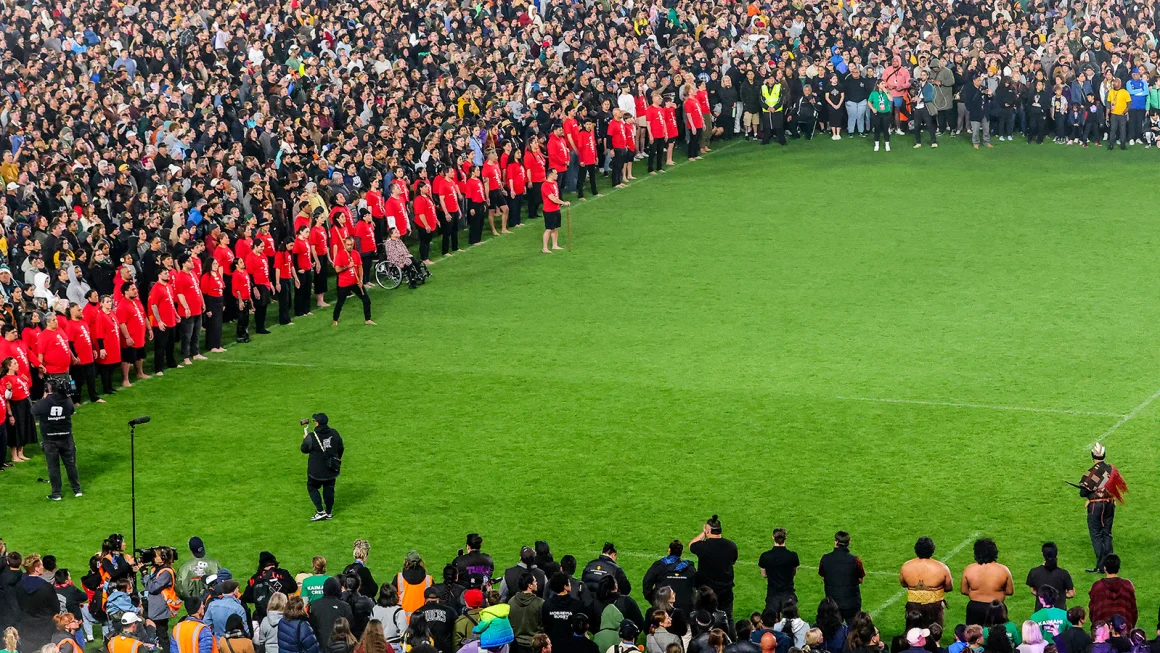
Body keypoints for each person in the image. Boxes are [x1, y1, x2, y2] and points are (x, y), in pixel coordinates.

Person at [1078, 444, 1126, 573]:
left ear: (1092, 456)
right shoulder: (1111, 469)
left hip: (1096, 506)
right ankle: (1109, 566)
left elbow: (1083, 492)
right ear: (1104, 455)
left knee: (1096, 535)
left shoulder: (1092, 472)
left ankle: (1101, 566)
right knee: (1107, 534)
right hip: (1110, 504)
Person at [32, 375, 80, 501]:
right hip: (66, 438)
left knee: (53, 466)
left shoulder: (43, 403)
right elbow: (71, 411)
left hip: (50, 440)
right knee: (71, 464)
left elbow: (33, 411)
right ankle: (77, 490)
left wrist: (44, 398)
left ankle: (56, 494)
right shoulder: (67, 400)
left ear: (47, 390)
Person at [690, 516, 739, 633]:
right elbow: (733, 561)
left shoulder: (703, 546)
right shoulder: (731, 546)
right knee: (728, 617)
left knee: (703, 617)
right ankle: (730, 642)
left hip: (706, 592)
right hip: (725, 590)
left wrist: (703, 533)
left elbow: (692, 544)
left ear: (708, 531)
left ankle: (704, 641)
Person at [899, 537, 953, 629]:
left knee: (913, 632)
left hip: (913, 606)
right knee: (934, 633)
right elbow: (949, 587)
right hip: (934, 606)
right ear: (932, 550)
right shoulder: (942, 568)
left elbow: (904, 584)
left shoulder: (906, 566)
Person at [960, 539, 1013, 627]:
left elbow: (964, 590)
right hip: (996, 608)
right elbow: (1009, 591)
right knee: (996, 635)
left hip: (974, 608)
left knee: (974, 636)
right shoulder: (1003, 570)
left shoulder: (969, 569)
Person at [301, 413, 344, 521]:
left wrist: (305, 439)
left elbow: (304, 449)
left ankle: (320, 511)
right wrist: (336, 460)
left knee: (312, 487)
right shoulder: (334, 432)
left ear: (317, 423)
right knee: (329, 489)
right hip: (331, 469)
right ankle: (328, 512)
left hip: (316, 471)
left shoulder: (311, 436)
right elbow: (340, 447)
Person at [818, 532, 864, 623]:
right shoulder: (855, 560)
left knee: (833, 631)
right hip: (852, 604)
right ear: (849, 543)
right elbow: (860, 579)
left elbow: (823, 577)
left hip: (832, 604)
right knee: (854, 631)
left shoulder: (825, 558)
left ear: (836, 542)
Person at [642, 540, 696, 614]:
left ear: (669, 550)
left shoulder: (659, 566)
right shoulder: (689, 568)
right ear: (681, 552)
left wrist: (655, 600)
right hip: (686, 609)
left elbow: (647, 583)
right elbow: (697, 585)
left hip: (663, 608)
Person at [142, 547, 181, 651]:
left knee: (161, 636)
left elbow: (153, 588)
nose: (153, 557)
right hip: (154, 607)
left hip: (160, 610)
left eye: (156, 555)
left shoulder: (166, 572)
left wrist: (145, 575)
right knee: (152, 635)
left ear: (163, 558)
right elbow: (147, 585)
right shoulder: (156, 569)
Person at [331, 237, 374, 327]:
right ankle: (335, 320)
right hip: (344, 284)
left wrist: (361, 279)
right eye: (348, 245)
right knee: (340, 302)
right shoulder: (340, 255)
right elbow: (337, 270)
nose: (350, 246)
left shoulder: (356, 254)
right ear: (345, 245)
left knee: (366, 300)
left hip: (355, 282)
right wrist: (348, 266)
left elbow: (360, 267)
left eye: (351, 245)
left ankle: (368, 319)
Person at [1086, 555, 1135, 628]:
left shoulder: (1097, 587)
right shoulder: (1127, 585)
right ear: (1118, 568)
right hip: (1123, 631)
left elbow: (1092, 611)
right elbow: (1133, 611)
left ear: (1105, 568)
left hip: (1102, 632)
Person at [758, 528, 799, 614]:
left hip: (773, 594)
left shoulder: (765, 556)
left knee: (771, 624)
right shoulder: (792, 556)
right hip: (788, 594)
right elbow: (794, 573)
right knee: (790, 622)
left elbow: (764, 574)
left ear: (773, 537)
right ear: (785, 538)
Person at [176, 537, 222, 613]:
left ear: (191, 551)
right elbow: (222, 582)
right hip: (212, 603)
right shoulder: (215, 564)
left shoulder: (184, 567)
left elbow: (180, 589)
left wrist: (188, 599)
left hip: (193, 606)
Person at [1025, 544, 1074, 610]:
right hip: (1059, 614)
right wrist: (1058, 595)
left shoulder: (1034, 572)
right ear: (1056, 554)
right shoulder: (1063, 573)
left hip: (1041, 614)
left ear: (1042, 554)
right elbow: (1071, 593)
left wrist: (1046, 597)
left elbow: (1033, 590)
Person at [540, 169, 568, 254]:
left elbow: (556, 196)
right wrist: (563, 203)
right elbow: (552, 198)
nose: (557, 175)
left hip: (556, 209)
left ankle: (554, 245)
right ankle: (544, 248)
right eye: (555, 174)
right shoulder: (545, 185)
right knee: (549, 229)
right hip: (549, 210)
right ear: (550, 175)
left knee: (555, 228)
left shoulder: (555, 183)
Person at [867, 80, 893, 152]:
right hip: (877, 113)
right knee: (877, 129)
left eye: (884, 83)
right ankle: (876, 144)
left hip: (886, 113)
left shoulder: (887, 92)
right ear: (878, 85)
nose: (883, 84)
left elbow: (891, 99)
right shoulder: (873, 93)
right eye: (882, 83)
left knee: (886, 129)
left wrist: (885, 90)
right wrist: (872, 108)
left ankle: (887, 144)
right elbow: (869, 102)